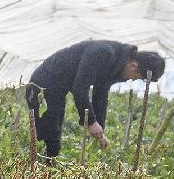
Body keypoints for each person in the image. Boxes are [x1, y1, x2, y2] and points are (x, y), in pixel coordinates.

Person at [25, 39, 166, 159]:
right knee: (47, 134)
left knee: (53, 139)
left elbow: (101, 94)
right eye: (137, 77)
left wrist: (100, 130)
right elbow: (80, 88)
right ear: (133, 66)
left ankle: (46, 175)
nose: (133, 80)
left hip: (59, 89)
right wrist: (91, 122)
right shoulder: (102, 53)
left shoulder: (117, 65)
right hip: (41, 85)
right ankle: (35, 174)